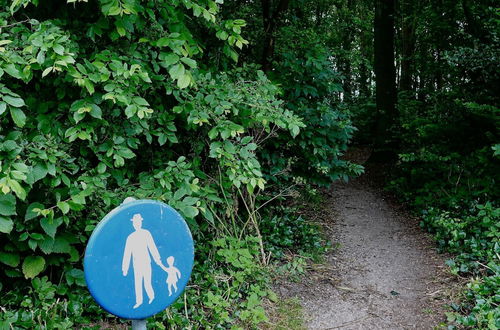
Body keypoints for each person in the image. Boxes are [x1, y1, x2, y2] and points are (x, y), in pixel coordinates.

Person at [122, 213, 166, 309]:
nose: (136, 224)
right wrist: (125, 268)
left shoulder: (146, 233)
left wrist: (157, 259)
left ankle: (151, 297)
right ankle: (139, 301)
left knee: (147, 281)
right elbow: (127, 253)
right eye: (135, 222)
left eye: (138, 222)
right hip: (136, 264)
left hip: (146, 262)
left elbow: (152, 247)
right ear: (133, 224)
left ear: (141, 223)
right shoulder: (130, 237)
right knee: (138, 283)